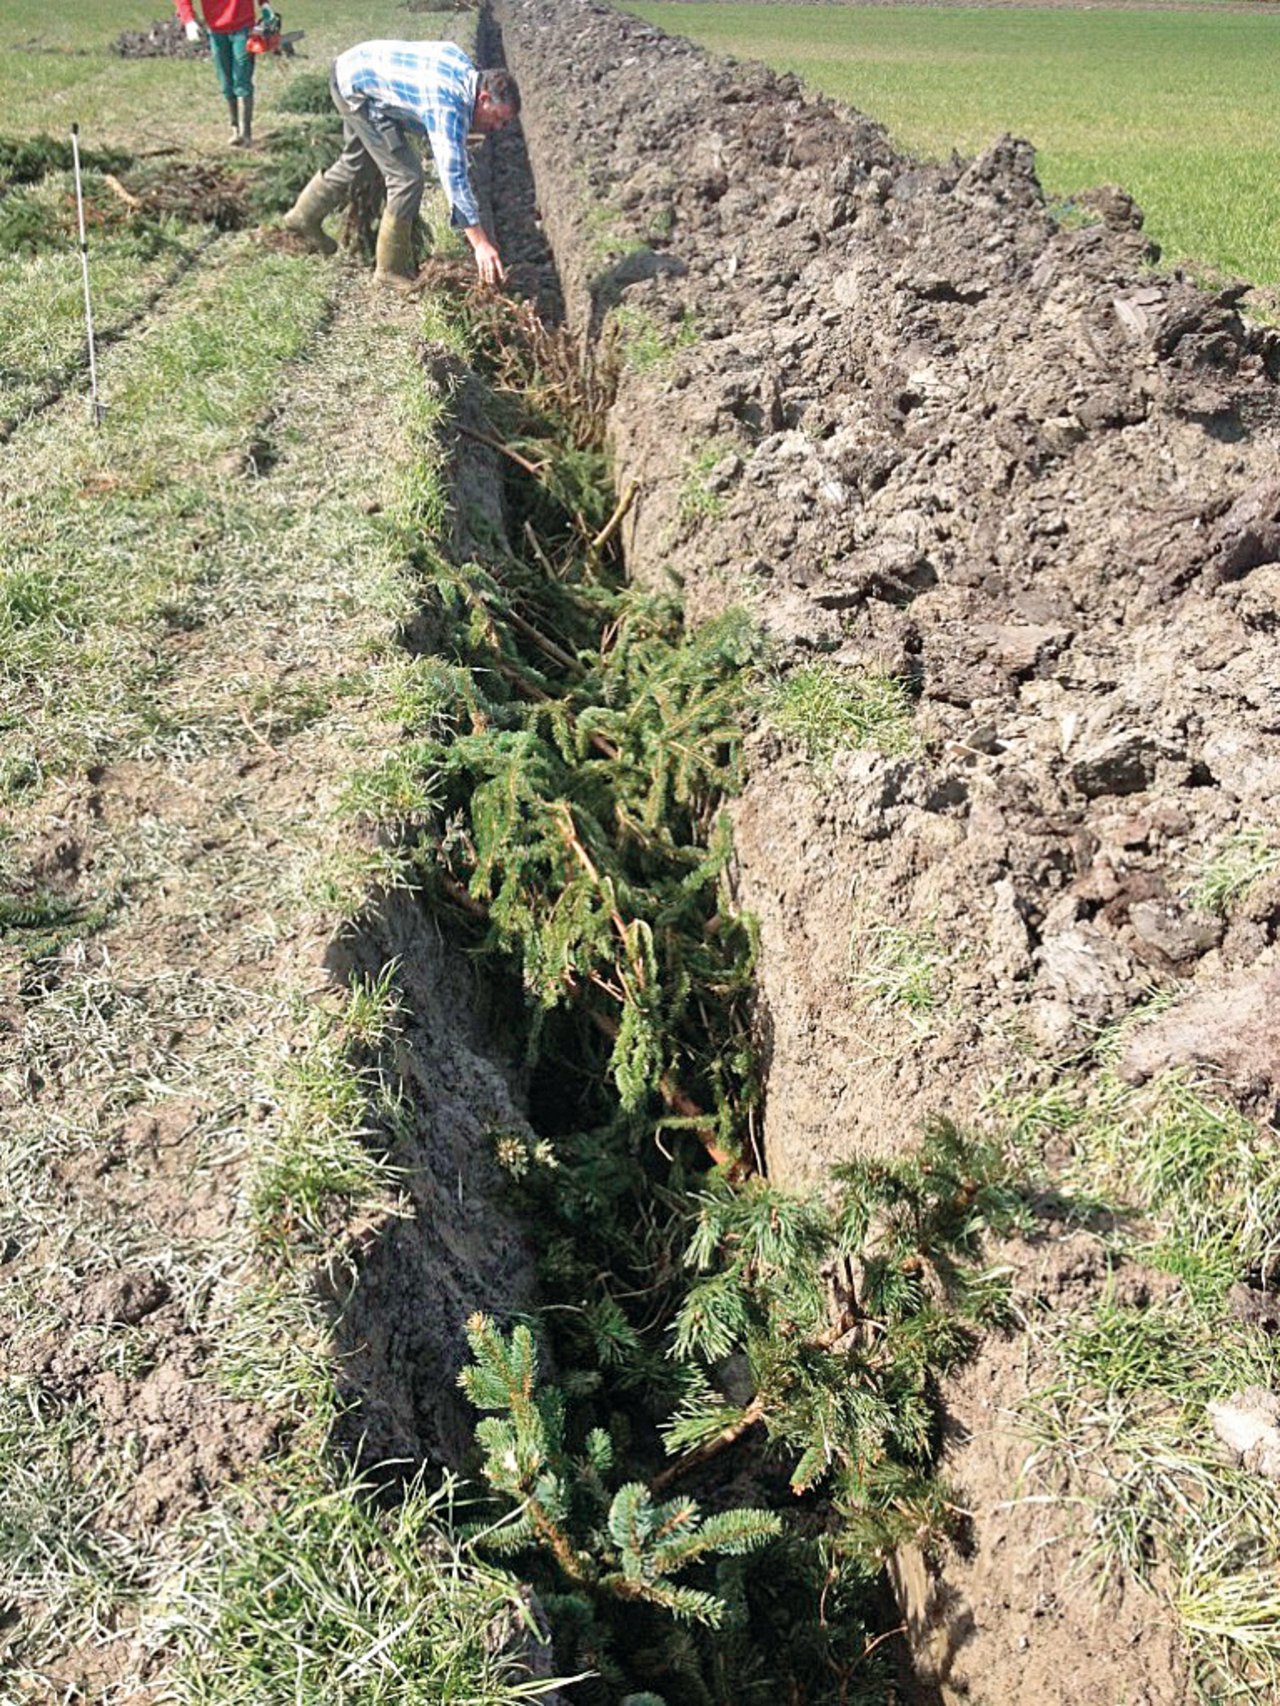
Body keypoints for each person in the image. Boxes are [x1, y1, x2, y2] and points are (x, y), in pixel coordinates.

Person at [281, 41, 518, 289]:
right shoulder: (447, 104)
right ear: (484, 97)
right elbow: (453, 177)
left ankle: (302, 217)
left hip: (352, 72)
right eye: (498, 118)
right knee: (406, 178)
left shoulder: (464, 71)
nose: (497, 128)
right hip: (358, 92)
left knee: (357, 163)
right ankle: (389, 271)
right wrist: (480, 243)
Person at [174, 0, 258, 148]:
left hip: (243, 26)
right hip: (216, 29)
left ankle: (246, 133)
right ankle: (235, 129)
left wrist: (264, 4)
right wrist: (188, 19)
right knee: (225, 82)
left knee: (242, 78)